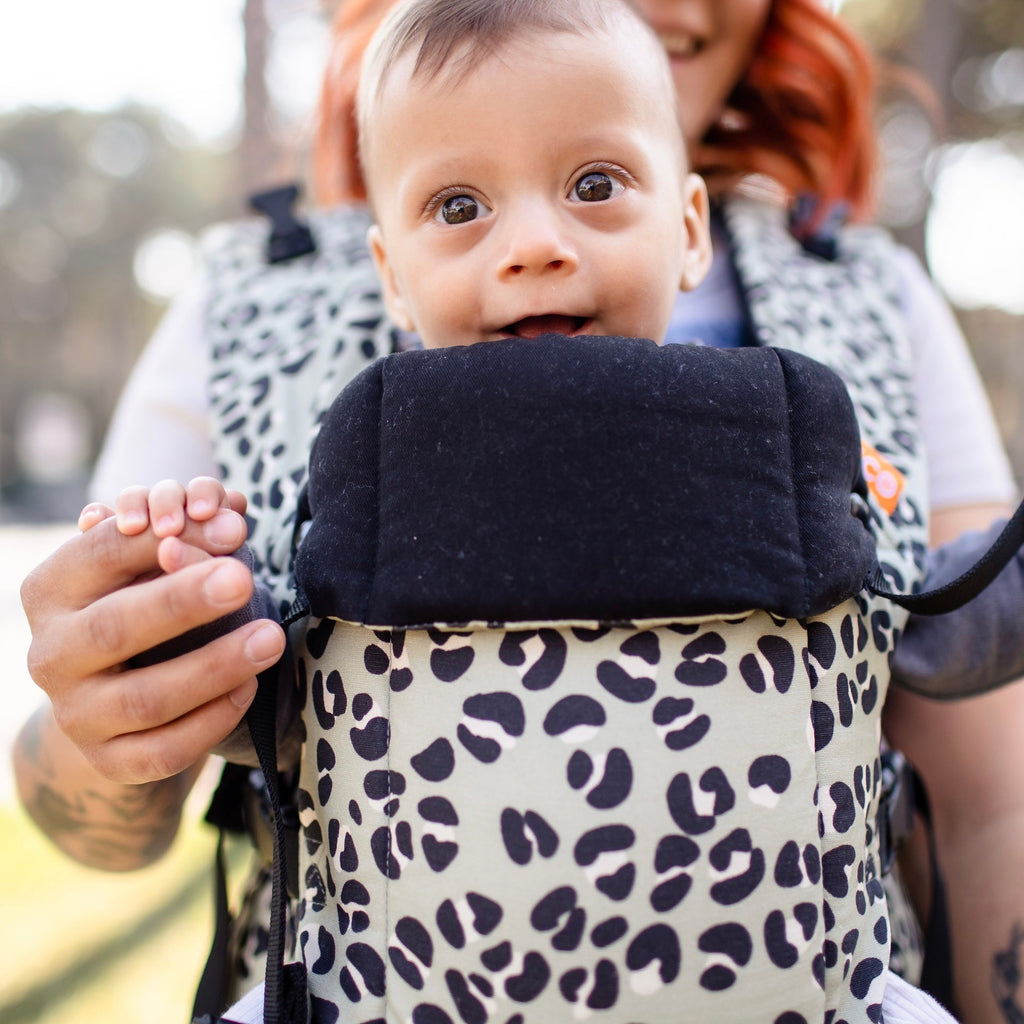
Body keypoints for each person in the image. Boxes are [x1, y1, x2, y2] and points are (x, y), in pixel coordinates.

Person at [13, 0, 1020, 1020]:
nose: (534, 244)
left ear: (687, 229)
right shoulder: (247, 301)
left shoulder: (870, 295)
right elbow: (97, 819)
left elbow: (994, 803)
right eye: (457, 207)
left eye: (595, 185)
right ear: (387, 275)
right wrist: (125, 701)